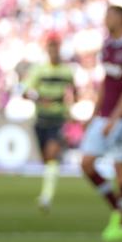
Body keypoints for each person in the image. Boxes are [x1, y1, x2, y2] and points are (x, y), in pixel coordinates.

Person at [79, 5, 122, 242]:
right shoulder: (107, 45)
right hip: (106, 114)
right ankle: (118, 208)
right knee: (87, 164)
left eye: (110, 16)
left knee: (119, 168)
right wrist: (96, 114)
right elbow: (106, 83)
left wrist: (115, 118)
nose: (106, 20)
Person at [22, 32, 76, 212]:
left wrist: (70, 108)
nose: (53, 50)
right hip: (41, 119)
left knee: (51, 154)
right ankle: (47, 191)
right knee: (46, 160)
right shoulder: (39, 70)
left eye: (56, 46)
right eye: (50, 47)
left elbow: (74, 91)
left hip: (58, 119)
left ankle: (46, 197)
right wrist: (39, 97)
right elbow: (25, 91)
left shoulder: (67, 71)